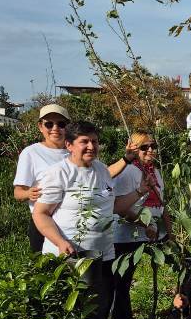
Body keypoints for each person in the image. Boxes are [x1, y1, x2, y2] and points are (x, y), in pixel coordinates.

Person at [33, 122, 150, 319]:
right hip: (69, 258)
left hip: (103, 255)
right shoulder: (58, 173)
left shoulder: (101, 170)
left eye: (94, 141)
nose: (90, 146)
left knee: (99, 308)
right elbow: (41, 214)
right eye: (84, 141)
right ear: (69, 145)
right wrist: (59, 241)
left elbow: (113, 206)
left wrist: (140, 191)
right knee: (69, 311)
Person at [13, 103, 134, 252]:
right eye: (49, 124)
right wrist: (28, 193)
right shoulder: (32, 153)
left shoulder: (80, 151)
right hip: (45, 222)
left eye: (61, 124)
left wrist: (126, 159)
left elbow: (102, 175)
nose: (55, 128)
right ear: (40, 126)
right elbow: (18, 192)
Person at [112, 131, 172, 319]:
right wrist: (145, 225)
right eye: (144, 147)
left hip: (151, 232)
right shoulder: (129, 171)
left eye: (152, 146)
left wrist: (169, 231)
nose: (150, 150)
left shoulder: (154, 170)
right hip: (128, 235)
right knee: (122, 282)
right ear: (134, 149)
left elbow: (162, 204)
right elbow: (120, 208)